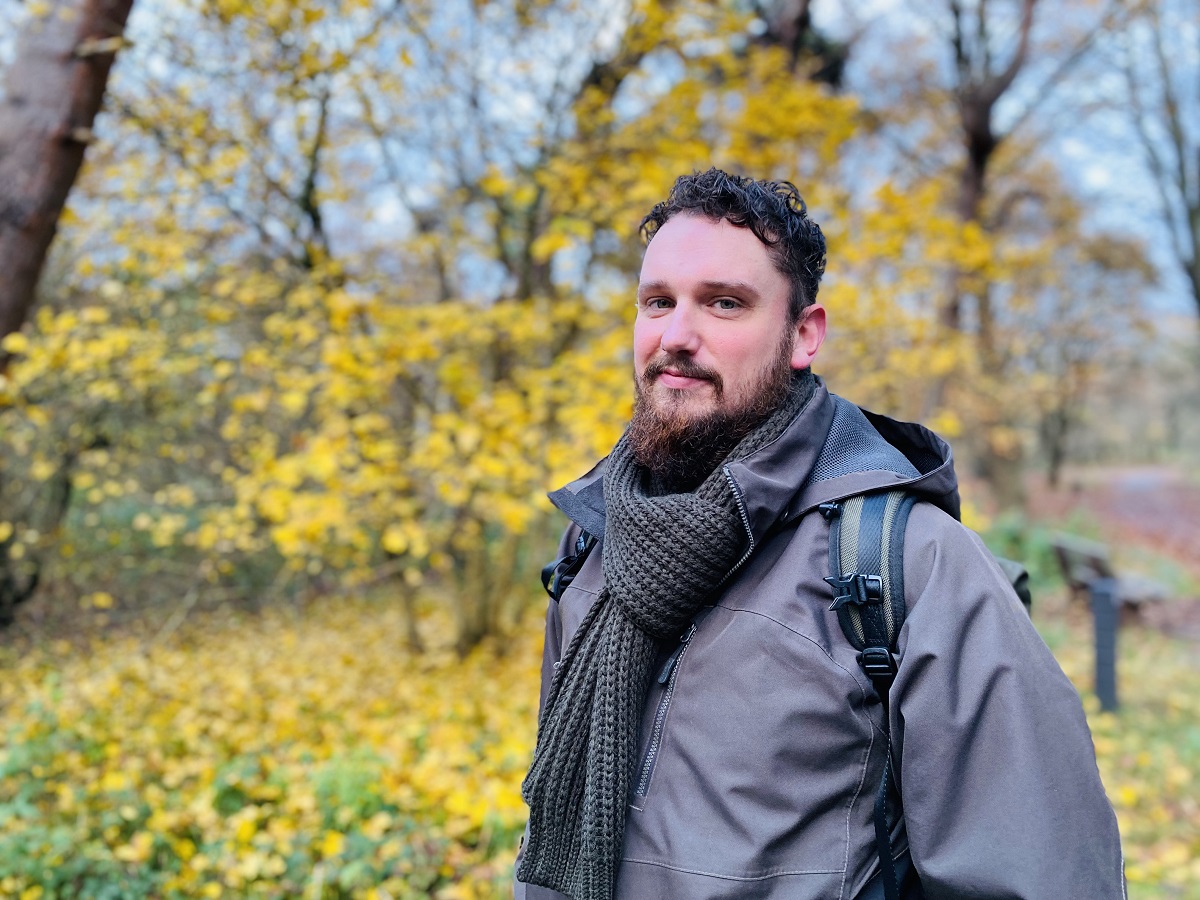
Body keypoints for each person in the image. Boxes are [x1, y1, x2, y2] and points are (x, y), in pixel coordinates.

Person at [514, 168, 1125, 900]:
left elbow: (1041, 876)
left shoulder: (909, 565)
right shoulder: (594, 549)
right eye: (657, 302)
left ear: (804, 334)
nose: (677, 336)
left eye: (724, 303)